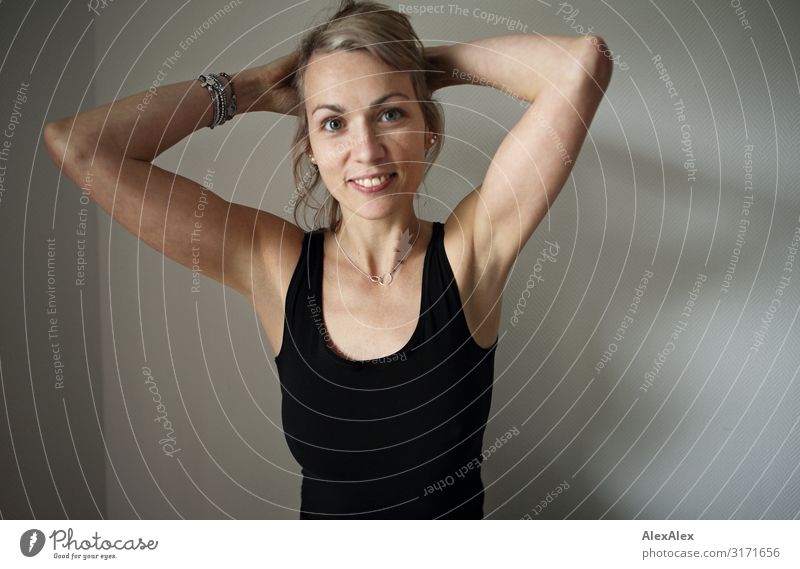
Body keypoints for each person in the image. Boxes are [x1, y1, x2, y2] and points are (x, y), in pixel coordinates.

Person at [44, 0, 612, 519]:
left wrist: (420, 67)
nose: (365, 150)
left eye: (390, 114)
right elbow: (79, 145)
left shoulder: (470, 254)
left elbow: (581, 62)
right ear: (311, 148)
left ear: (427, 130)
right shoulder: (272, 262)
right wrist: (254, 87)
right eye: (334, 122)